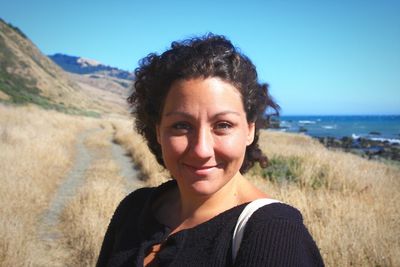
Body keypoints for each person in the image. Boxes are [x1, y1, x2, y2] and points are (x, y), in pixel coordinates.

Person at [96, 34, 324, 267]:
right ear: (158, 132)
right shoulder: (133, 209)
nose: (201, 150)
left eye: (223, 125)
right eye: (181, 126)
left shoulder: (275, 235)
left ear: (249, 131)